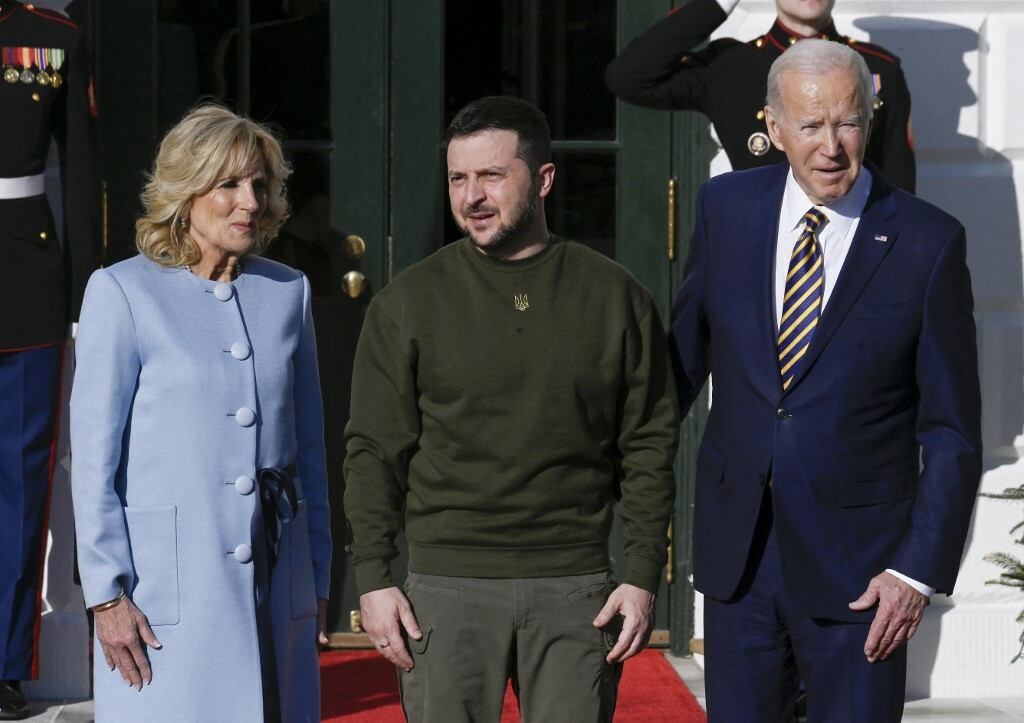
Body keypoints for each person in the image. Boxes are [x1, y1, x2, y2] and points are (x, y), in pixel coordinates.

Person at [669, 40, 981, 721]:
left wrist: (914, 572)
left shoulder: (928, 242)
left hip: (863, 575)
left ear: (870, 119)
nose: (831, 146)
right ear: (775, 127)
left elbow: (952, 431)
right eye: (811, 125)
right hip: (739, 562)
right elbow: (677, 372)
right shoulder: (725, 208)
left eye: (848, 123)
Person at [343, 95, 679, 722]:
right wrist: (374, 576)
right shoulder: (408, 302)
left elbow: (649, 444)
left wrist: (640, 574)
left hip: (575, 587)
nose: (472, 196)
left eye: (492, 175)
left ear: (543, 179)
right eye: (458, 178)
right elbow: (372, 451)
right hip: (445, 588)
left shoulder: (614, 296)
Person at [70, 105, 331, 723]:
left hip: (274, 583)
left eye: (259, 185)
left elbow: (310, 453)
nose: (250, 202)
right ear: (185, 195)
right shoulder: (122, 292)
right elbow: (93, 464)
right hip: (163, 599)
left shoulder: (287, 292)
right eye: (229, 185)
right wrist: (106, 596)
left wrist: (314, 579)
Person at [0, 3, 100, 718]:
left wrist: (87, 295)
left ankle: (4, 662)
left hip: (25, 280)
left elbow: (83, 171)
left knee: (20, 482)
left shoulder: (52, 38)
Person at [606, 0, 916, 193]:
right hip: (760, 246)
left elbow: (898, 180)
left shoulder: (877, 68)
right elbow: (628, 77)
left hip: (857, 246)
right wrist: (719, 4)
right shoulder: (731, 65)